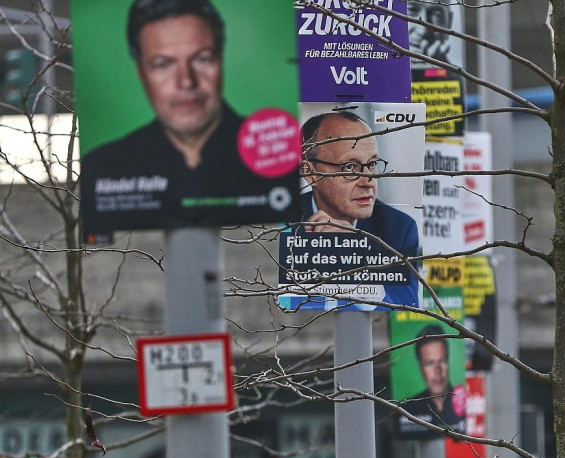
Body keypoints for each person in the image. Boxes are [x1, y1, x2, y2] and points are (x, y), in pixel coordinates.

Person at [80, 0, 293, 240]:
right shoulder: (102, 168)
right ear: (141, 73)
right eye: (163, 64)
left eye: (201, 59)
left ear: (220, 59)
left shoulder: (283, 158)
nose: (186, 81)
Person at [298, 111, 420, 307]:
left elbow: (404, 309)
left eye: (372, 164)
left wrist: (351, 253)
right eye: (349, 167)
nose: (368, 181)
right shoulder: (285, 222)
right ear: (310, 172)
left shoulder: (398, 229)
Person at [400, 325, 465, 434]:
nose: (438, 370)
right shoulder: (408, 410)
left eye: (442, 361)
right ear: (421, 368)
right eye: (430, 363)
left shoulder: (464, 403)